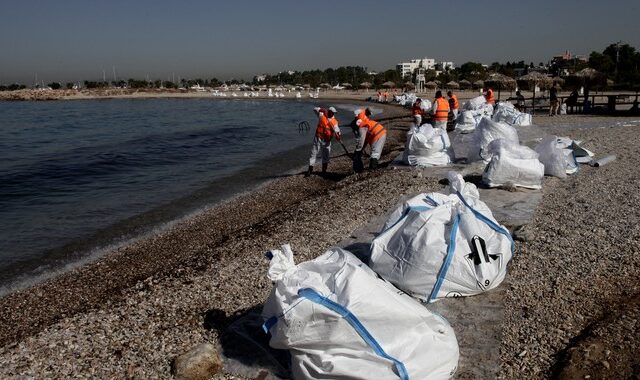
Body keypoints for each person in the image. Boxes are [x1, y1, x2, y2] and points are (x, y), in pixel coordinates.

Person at [306, 106, 341, 177]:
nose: (333, 114)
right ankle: (310, 170)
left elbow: (337, 131)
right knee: (313, 153)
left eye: (334, 113)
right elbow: (315, 109)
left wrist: (338, 135)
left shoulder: (334, 121)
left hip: (327, 140)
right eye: (332, 113)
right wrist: (322, 110)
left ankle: (324, 171)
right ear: (329, 112)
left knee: (325, 156)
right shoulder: (322, 115)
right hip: (318, 137)